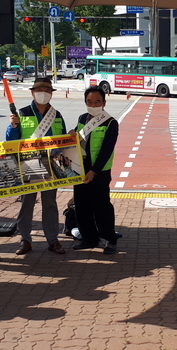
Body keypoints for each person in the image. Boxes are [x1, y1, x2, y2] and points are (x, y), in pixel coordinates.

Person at [6, 78, 67, 255]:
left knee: (50, 204)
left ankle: (53, 240)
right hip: (29, 163)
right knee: (27, 203)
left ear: (51, 94)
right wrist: (13, 126)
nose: (43, 93)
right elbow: (12, 141)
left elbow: (62, 138)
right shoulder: (22, 113)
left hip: (51, 164)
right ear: (32, 92)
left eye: (47, 90)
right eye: (39, 90)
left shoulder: (57, 114)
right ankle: (25, 239)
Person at [70, 86, 119, 254]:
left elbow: (107, 150)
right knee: (82, 206)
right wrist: (71, 134)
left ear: (104, 102)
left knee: (102, 207)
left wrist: (94, 171)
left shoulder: (111, 122)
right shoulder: (82, 118)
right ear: (85, 102)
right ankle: (89, 238)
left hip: (99, 172)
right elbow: (77, 139)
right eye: (89, 101)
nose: (93, 104)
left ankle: (110, 239)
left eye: (97, 101)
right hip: (80, 169)